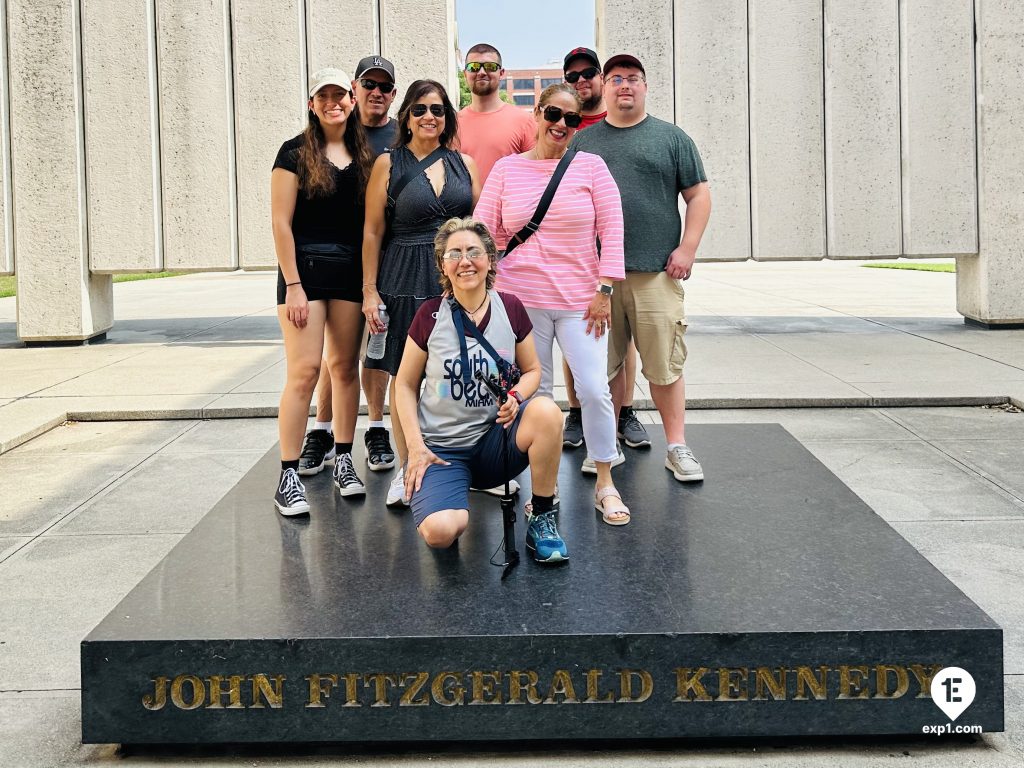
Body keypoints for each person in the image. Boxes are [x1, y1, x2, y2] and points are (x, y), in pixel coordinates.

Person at [475, 83, 630, 525]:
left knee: (595, 390)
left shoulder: (592, 167)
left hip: (583, 301)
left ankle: (605, 482)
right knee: (535, 398)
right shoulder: (507, 170)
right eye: (553, 115)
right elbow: (485, 231)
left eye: (572, 118)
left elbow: (613, 228)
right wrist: (484, 287)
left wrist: (606, 289)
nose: (561, 125)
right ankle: (543, 490)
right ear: (537, 114)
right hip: (521, 302)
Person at [570, 54, 712, 483]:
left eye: (633, 78)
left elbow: (699, 196)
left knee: (664, 365)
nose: (624, 86)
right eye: (615, 79)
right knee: (602, 369)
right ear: (605, 87)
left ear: (645, 87)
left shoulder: (672, 139)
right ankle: (604, 447)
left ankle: (677, 446)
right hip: (600, 282)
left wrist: (687, 248)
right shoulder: (583, 143)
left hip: (656, 274)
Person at [395, 218, 567, 561]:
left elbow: (532, 370)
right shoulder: (429, 315)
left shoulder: (511, 308)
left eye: (474, 251)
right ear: (443, 264)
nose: (465, 261)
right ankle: (453, 493)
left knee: (547, 411)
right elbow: (404, 384)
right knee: (441, 532)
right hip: (443, 450)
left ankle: (542, 517)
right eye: (454, 254)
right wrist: (414, 448)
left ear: (490, 258)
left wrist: (517, 397)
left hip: (496, 444)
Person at [362, 80, 481, 508]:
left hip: (456, 279)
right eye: (419, 109)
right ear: (405, 117)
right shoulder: (387, 164)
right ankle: (406, 466)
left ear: (448, 116)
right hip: (402, 277)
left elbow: (478, 231)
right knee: (404, 375)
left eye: (438, 109)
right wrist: (370, 290)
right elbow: (373, 231)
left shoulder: (464, 163)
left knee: (459, 372)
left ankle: (464, 462)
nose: (429, 116)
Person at [271, 68, 375, 515]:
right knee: (305, 371)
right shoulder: (293, 152)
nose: (333, 102)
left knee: (345, 368)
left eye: (340, 95)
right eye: (323, 96)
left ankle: (345, 460)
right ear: (312, 103)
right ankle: (288, 474)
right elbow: (280, 222)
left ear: (352, 101)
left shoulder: (365, 154)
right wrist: (293, 284)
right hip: (305, 276)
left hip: (350, 273)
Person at [297, 56, 400, 478]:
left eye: (384, 86)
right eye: (368, 85)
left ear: (393, 93)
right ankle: (322, 431)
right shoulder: (339, 133)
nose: (376, 92)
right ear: (354, 91)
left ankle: (376, 427)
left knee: (375, 353)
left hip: (387, 260)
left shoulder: (402, 135)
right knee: (333, 357)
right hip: (337, 264)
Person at [560, 47, 648, 455]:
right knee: (575, 332)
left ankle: (625, 409)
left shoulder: (622, 121)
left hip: (625, 253)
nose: (581, 81)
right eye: (572, 75)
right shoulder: (569, 129)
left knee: (622, 337)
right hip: (578, 255)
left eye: (588, 73)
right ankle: (576, 411)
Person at [456, 43, 536, 185]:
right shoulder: (453, 123)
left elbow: (537, 172)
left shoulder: (524, 121)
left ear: (501, 73)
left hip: (508, 206)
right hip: (463, 208)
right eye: (474, 67)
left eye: (490, 67)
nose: (481, 72)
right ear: (465, 73)